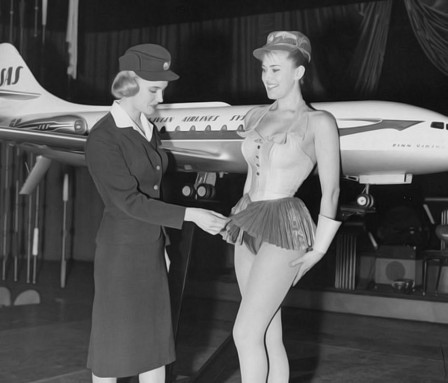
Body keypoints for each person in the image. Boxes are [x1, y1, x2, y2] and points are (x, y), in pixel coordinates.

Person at [85, 43, 228, 383]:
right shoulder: (104, 137)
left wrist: (162, 245)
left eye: (163, 89)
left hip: (150, 248)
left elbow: (153, 189)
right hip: (121, 255)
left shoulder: (147, 130)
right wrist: (190, 215)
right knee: (112, 348)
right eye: (154, 90)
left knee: (154, 347)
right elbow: (129, 202)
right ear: (130, 83)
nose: (160, 98)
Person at [222, 31, 341, 382]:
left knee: (244, 333)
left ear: (299, 73)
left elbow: (332, 192)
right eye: (263, 69)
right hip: (248, 221)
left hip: (284, 227)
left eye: (275, 69)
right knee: (269, 334)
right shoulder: (256, 116)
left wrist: (318, 251)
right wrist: (235, 216)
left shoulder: (319, 123)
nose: (266, 77)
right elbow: (250, 175)